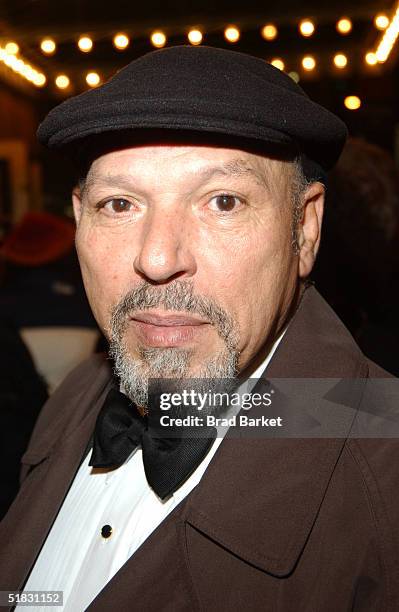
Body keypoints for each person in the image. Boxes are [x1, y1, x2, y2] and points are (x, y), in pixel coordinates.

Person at [1, 46, 398, 611]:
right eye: (119, 204)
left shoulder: (385, 479)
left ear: (304, 229)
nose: (158, 258)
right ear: (78, 217)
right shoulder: (71, 402)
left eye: (223, 201)